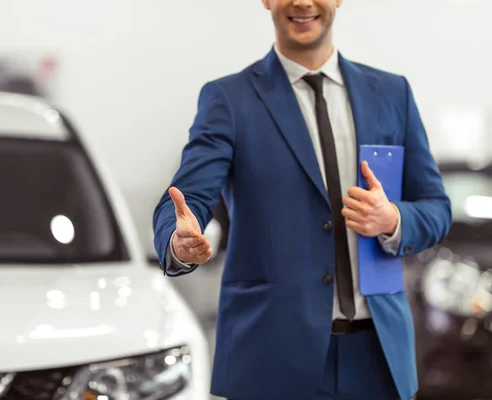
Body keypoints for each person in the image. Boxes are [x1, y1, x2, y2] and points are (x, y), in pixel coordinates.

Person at [152, 0, 451, 399]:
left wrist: (394, 219)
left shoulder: (392, 93)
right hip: (272, 356)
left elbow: (436, 207)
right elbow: (186, 198)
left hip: (379, 357)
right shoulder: (229, 99)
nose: (303, 2)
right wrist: (178, 241)